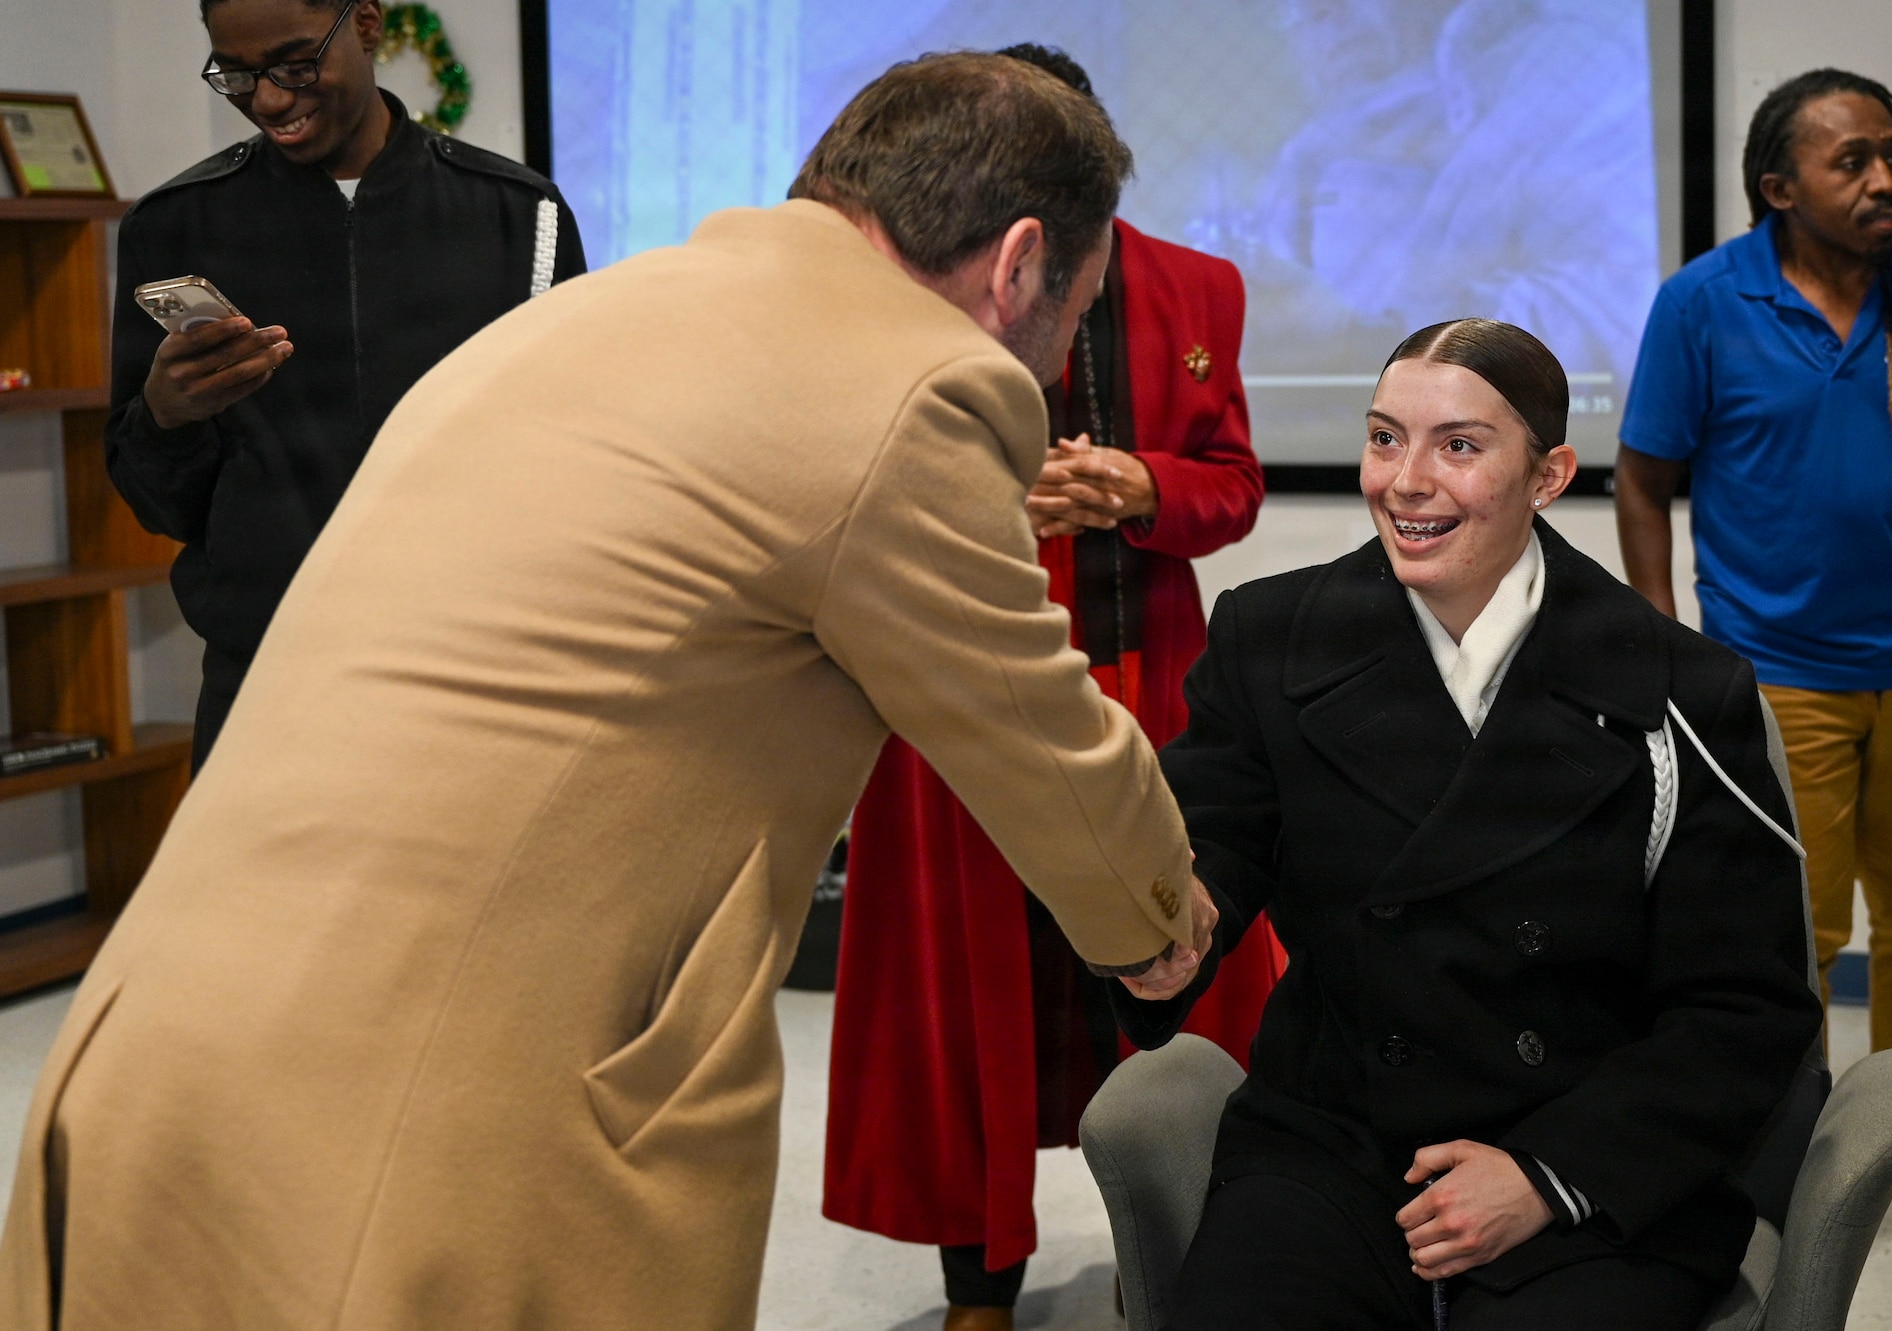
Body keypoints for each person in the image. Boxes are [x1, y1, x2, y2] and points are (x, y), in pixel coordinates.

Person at [0, 53, 1217, 1331]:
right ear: (1018, 261)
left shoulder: (580, 318)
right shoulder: (912, 384)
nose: (1053, 362)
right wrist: (1158, 924)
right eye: (1072, 315)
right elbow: (1032, 728)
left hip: (150, 1049)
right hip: (416, 1129)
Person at [1124, 319, 1822, 1329]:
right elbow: (1217, 845)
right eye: (1381, 438)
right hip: (1337, 1143)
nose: (1403, 480)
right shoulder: (1267, 637)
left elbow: (1744, 1009)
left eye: (1457, 445)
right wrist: (1167, 930)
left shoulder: (1676, 689)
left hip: (1579, 1148)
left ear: (1546, 474)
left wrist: (1546, 1174)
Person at [823, 45, 1280, 1330]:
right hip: (948, 693)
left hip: (1153, 680)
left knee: (1173, 972)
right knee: (970, 1002)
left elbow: (1233, 487)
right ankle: (979, 1285)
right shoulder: (902, 288)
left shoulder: (1202, 286)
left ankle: (1170, 1250)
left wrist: (1143, 488)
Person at [1616, 68, 1892, 1244]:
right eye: (1852, 162)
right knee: (1795, 926)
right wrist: (1664, 640)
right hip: (1771, 666)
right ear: (1778, 187)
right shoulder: (1702, 302)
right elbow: (1641, 475)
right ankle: (1804, 1131)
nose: (1886, 178)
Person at [107, 0, 586, 772]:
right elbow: (157, 503)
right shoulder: (176, 227)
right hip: (264, 694)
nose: (267, 99)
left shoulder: (517, 214)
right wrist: (167, 416)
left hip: (483, 690)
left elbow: (578, 472)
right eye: (235, 73)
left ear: (366, 24)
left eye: (296, 65)